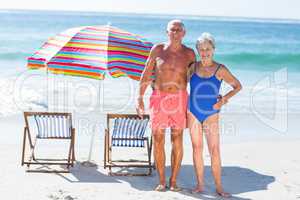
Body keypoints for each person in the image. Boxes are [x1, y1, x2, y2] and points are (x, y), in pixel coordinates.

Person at [136, 19, 195, 192]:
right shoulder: (158, 49)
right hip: (159, 98)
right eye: (172, 30)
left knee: (177, 140)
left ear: (184, 33)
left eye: (179, 30)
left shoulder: (190, 54)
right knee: (158, 138)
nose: (175, 32)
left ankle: (174, 180)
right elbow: (147, 73)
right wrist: (139, 97)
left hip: (180, 98)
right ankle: (161, 180)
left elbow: (195, 78)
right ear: (167, 32)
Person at [188, 32, 242, 197]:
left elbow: (238, 86)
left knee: (214, 150)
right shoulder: (192, 67)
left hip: (211, 112)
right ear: (197, 50)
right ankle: (200, 185)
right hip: (193, 112)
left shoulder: (220, 69)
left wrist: (223, 99)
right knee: (197, 148)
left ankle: (219, 187)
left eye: (208, 49)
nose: (205, 52)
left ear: (213, 49)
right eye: (201, 49)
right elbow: (179, 84)